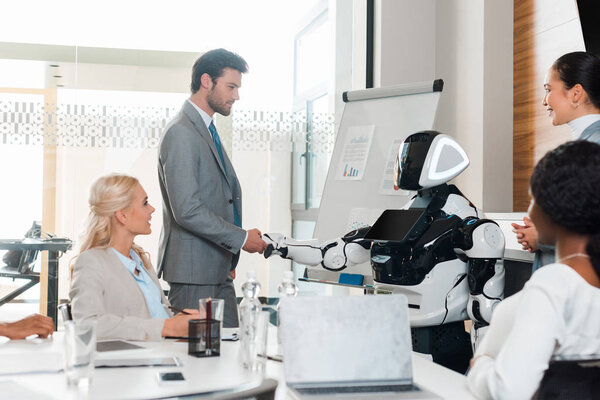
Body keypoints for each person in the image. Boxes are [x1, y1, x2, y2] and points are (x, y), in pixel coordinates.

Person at [467, 141, 600, 399]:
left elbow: (508, 390)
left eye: (533, 198)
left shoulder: (554, 284)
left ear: (553, 209)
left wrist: (481, 364)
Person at [157, 48, 267, 328]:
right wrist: (240, 238)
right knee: (196, 361)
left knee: (229, 352)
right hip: (193, 274)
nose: (236, 96)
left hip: (217, 269)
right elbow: (187, 210)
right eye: (231, 86)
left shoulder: (205, 129)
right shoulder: (181, 132)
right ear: (206, 81)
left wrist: (230, 254)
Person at [70, 174, 199, 341]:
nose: (152, 209)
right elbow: (87, 325)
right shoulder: (91, 262)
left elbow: (153, 317)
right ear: (122, 215)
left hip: (163, 354)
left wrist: (178, 321)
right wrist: (168, 327)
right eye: (145, 203)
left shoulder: (140, 259)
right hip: (131, 362)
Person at [512, 51, 600, 272]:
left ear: (576, 93)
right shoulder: (584, 145)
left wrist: (541, 237)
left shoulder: (593, 149)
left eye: (548, 90)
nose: (544, 101)